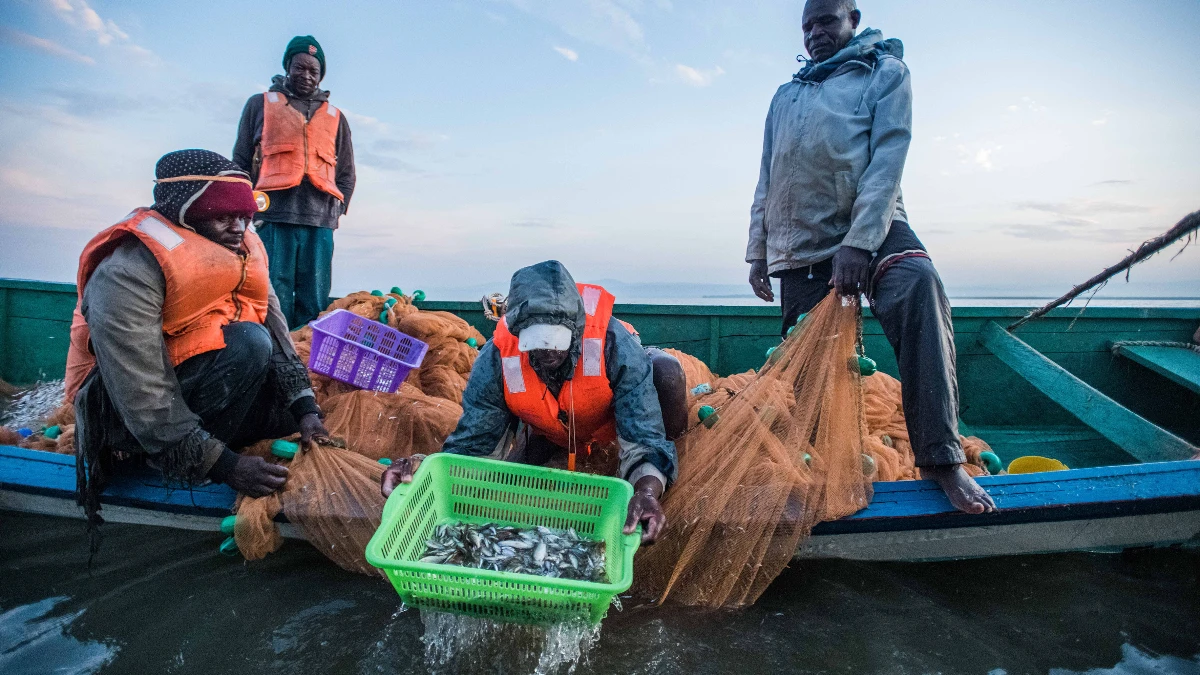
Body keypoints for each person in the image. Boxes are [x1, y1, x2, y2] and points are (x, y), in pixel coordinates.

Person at [744, 0, 995, 514]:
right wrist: (757, 250)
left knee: (917, 285)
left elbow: (888, 159)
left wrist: (859, 242)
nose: (815, 33)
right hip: (799, 244)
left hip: (875, 229)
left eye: (826, 22)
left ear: (852, 20)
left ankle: (941, 460)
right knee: (806, 364)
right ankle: (818, 468)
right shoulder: (786, 95)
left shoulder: (885, 73)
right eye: (807, 25)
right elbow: (767, 176)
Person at [65, 150, 332, 543]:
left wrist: (304, 408)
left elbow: (277, 331)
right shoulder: (126, 272)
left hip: (200, 380)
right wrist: (225, 465)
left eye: (245, 217)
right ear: (185, 212)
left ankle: (212, 439)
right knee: (248, 343)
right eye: (224, 216)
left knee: (282, 401)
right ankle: (167, 460)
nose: (238, 226)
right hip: (124, 416)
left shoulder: (244, 246)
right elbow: (139, 388)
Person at [381, 261, 687, 544]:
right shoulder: (496, 358)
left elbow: (643, 436)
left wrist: (646, 491)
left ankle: (663, 473)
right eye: (536, 345)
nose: (548, 354)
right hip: (551, 428)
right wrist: (425, 466)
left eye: (557, 343)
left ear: (576, 332)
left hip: (607, 418)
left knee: (666, 373)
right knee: (507, 492)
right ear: (517, 332)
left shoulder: (613, 343)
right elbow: (475, 446)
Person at [233, 35, 356, 329]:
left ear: (321, 75)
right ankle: (273, 362)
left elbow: (347, 173)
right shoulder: (259, 104)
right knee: (273, 294)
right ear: (288, 66)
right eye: (300, 68)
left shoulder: (336, 117)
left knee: (313, 299)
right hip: (273, 217)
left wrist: (338, 211)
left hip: (320, 221)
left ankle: (305, 366)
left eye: (314, 71)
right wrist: (242, 209)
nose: (306, 76)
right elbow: (239, 161)